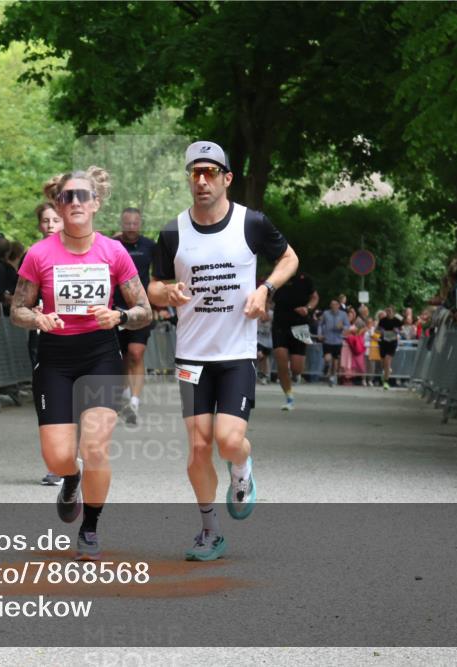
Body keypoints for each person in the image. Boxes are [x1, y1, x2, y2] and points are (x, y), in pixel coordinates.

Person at [149, 141, 298, 561]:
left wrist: (266, 289)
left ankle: (241, 470)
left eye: (210, 173)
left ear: (226, 178)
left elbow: (289, 258)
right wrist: (167, 291)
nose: (201, 181)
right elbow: (153, 287)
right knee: (197, 448)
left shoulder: (251, 223)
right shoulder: (172, 232)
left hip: (235, 355)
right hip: (191, 357)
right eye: (195, 173)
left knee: (229, 441)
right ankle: (209, 531)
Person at [11, 166, 151, 560]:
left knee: (95, 446)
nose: (74, 202)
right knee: (57, 455)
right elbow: (16, 310)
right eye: (67, 196)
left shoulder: (113, 251)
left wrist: (119, 317)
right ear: (58, 203)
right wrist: (36, 318)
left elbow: (144, 310)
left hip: (100, 356)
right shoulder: (39, 254)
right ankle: (69, 479)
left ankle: (89, 527)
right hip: (54, 357)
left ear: (96, 204)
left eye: (82, 196)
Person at [28, 202, 64, 486]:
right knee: (50, 399)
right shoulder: (34, 255)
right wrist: (33, 313)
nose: (50, 225)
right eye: (46, 221)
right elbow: (21, 303)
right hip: (43, 334)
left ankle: (71, 458)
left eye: (55, 220)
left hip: (80, 336)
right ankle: (55, 464)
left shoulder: (80, 252)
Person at [114, 207, 157, 425]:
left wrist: (159, 301)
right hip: (116, 310)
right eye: (127, 223)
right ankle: (123, 393)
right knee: (122, 356)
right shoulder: (113, 245)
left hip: (141, 309)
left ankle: (134, 400)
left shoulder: (150, 246)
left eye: (135, 223)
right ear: (122, 224)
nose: (131, 227)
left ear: (140, 224)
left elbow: (159, 275)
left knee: (136, 353)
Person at [271, 273, 318, 410]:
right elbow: (267, 298)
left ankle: (295, 376)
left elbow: (315, 297)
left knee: (297, 369)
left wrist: (307, 308)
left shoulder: (305, 280)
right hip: (280, 325)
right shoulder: (275, 277)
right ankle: (289, 396)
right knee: (281, 361)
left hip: (300, 326)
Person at [319, 299, 350, 387]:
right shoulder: (326, 313)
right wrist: (320, 334)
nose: (334, 306)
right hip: (327, 339)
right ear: (330, 306)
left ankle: (332, 377)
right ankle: (326, 365)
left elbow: (348, 325)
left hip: (338, 340)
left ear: (338, 306)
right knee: (327, 358)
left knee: (335, 360)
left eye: (336, 304)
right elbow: (320, 324)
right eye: (332, 304)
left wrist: (342, 327)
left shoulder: (343, 314)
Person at [377, 306, 401, 390]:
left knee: (387, 360)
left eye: (390, 311)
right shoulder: (382, 320)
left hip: (392, 342)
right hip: (384, 342)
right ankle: (386, 372)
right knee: (383, 363)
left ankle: (386, 382)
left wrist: (396, 331)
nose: (388, 313)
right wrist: (382, 331)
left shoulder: (397, 320)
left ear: (393, 312)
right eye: (387, 311)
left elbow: (400, 330)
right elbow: (378, 329)